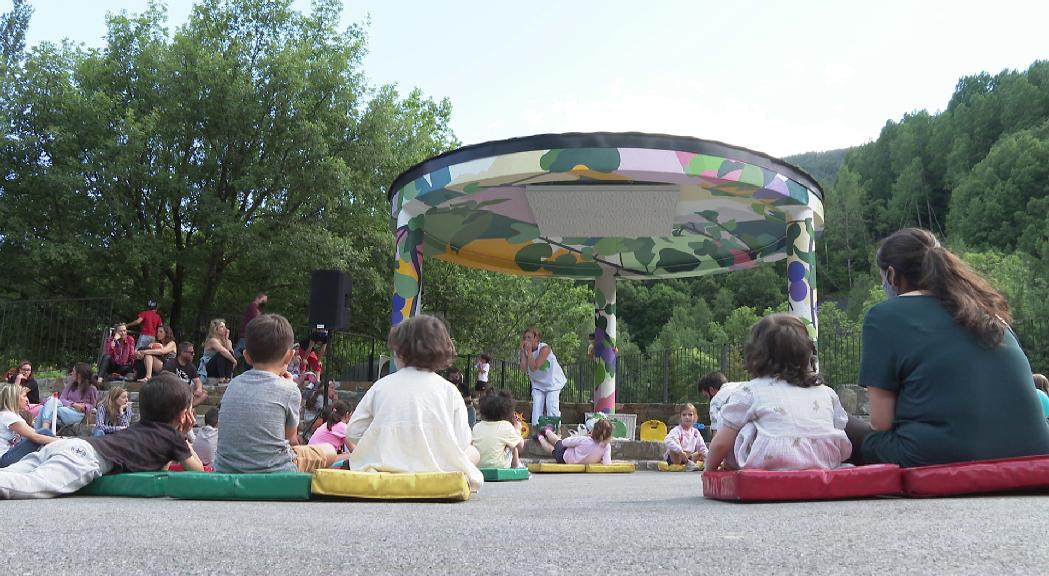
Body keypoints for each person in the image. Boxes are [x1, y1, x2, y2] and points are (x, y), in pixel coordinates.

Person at [853, 228, 1049, 466]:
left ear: (892, 275)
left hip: (941, 452)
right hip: (1033, 448)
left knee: (844, 428)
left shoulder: (882, 316)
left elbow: (881, 423)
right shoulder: (990, 315)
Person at [0, 372, 203, 499]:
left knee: (13, 471)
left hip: (72, 445)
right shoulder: (172, 436)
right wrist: (183, 435)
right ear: (182, 414)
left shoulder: (142, 428)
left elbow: (161, 465)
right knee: (34, 485)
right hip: (84, 458)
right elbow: (198, 471)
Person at [346, 315, 483, 489]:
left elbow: (353, 431)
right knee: (474, 453)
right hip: (436, 470)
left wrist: (381, 441)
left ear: (400, 353)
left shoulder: (381, 386)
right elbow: (462, 441)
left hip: (385, 467)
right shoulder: (449, 390)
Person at [704, 314, 851, 472]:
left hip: (771, 462)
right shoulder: (826, 392)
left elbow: (721, 443)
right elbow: (840, 424)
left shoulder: (750, 391)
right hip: (825, 460)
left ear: (755, 355)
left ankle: (732, 466)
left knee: (740, 426)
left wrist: (709, 471)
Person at [214, 313, 337, 474]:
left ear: (246, 356)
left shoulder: (233, 384)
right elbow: (290, 438)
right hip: (276, 468)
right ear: (290, 356)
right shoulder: (289, 390)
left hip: (227, 468)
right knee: (329, 450)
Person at [0, 383, 59, 468]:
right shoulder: (7, 416)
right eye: (24, 396)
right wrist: (60, 441)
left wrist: (57, 439)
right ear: (14, 398)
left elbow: (34, 433)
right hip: (3, 459)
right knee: (44, 432)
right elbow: (36, 437)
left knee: (43, 433)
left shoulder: (13, 415)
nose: (27, 400)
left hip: (9, 453)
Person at [520, 327, 566, 426]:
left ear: (536, 339)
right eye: (525, 338)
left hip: (553, 382)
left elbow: (534, 367)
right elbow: (524, 369)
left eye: (529, 337)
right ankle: (536, 430)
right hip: (537, 383)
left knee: (551, 405)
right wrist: (523, 353)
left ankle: (554, 430)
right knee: (537, 405)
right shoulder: (526, 351)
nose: (526, 340)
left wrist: (529, 352)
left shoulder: (545, 349)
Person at [37, 363, 100, 432]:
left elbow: (93, 405)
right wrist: (73, 404)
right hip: (65, 409)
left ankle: (42, 431)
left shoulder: (92, 388)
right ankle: (43, 430)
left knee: (49, 406)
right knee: (50, 403)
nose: (71, 373)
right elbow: (62, 399)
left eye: (73, 371)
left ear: (79, 374)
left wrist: (84, 407)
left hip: (78, 414)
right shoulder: (70, 385)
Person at [472, 390, 525, 469]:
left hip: (478, 465)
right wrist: (517, 429)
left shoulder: (477, 426)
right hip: (500, 466)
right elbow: (520, 445)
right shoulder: (506, 426)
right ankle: (517, 465)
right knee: (513, 444)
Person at [535, 418, 613, 465]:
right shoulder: (606, 446)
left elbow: (565, 442)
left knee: (557, 443)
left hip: (565, 456)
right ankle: (540, 437)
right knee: (554, 450)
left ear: (594, 430)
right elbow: (607, 463)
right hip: (565, 460)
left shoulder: (585, 440)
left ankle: (545, 432)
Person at [162, 342, 209, 407]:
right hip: (174, 393)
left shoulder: (191, 366)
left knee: (204, 394)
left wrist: (199, 389)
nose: (194, 354)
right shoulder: (170, 365)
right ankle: (186, 408)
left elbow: (197, 381)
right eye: (191, 353)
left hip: (186, 393)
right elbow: (167, 384)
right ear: (183, 353)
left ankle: (186, 408)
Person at [664, 403, 708, 470]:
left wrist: (710, 457)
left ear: (695, 417)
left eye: (690, 415)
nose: (687, 417)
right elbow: (667, 440)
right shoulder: (677, 430)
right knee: (675, 441)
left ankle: (691, 463)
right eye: (684, 415)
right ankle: (687, 463)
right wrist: (680, 451)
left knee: (702, 452)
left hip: (689, 456)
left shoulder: (695, 432)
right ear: (680, 417)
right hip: (676, 457)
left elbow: (702, 447)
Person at [698, 371, 741, 435]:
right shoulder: (742, 386)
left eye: (706, 395)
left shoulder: (716, 400)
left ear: (711, 390)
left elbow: (716, 434)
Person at [234, 292, 268, 363]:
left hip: (250, 334)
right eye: (263, 300)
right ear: (258, 299)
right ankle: (230, 362)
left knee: (246, 352)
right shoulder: (252, 306)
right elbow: (257, 319)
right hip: (246, 333)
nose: (264, 302)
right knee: (237, 353)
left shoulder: (256, 308)